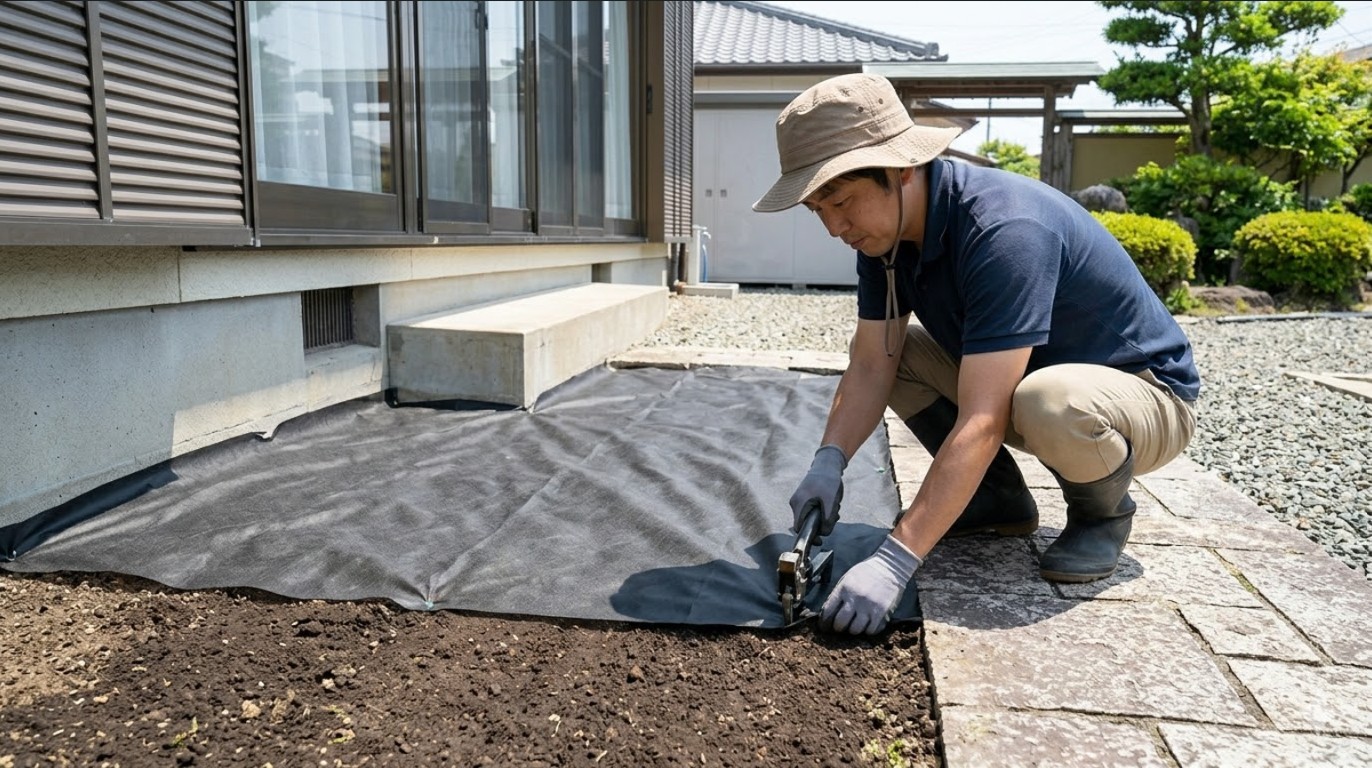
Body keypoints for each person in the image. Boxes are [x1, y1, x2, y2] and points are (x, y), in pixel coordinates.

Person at [755, 73, 1200, 636]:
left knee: (1050, 402)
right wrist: (830, 459)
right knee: (904, 355)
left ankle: (1102, 514)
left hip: (1143, 395)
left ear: (901, 170)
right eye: (817, 208)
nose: (834, 226)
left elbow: (985, 416)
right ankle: (995, 500)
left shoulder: (1003, 230)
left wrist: (898, 558)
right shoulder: (884, 240)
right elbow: (871, 362)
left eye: (842, 200)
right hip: (1030, 380)